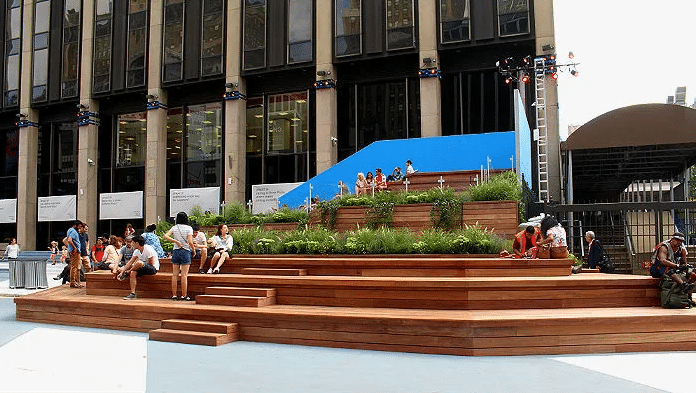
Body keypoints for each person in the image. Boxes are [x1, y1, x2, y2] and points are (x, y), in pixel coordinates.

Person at [163, 212, 195, 301]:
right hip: (185, 251)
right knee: (184, 275)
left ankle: (174, 295)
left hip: (176, 251)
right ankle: (184, 295)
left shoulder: (174, 227)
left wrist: (176, 242)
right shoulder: (189, 228)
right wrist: (193, 249)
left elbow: (165, 236)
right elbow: (190, 242)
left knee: (174, 275)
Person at [117, 235, 160, 300]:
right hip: (142, 267)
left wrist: (140, 264)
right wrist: (122, 272)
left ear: (137, 243)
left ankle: (127, 272)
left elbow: (151, 263)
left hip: (152, 268)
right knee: (133, 272)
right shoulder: (136, 251)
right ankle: (133, 294)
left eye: (133, 243)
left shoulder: (148, 249)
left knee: (139, 263)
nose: (132, 244)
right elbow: (130, 262)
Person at [65, 220, 83, 288]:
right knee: (74, 267)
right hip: (75, 252)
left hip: (72, 251)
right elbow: (69, 240)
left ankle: (73, 281)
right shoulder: (73, 231)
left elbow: (66, 240)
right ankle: (73, 282)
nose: (80, 228)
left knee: (73, 267)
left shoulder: (70, 230)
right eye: (79, 226)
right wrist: (74, 247)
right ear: (76, 225)